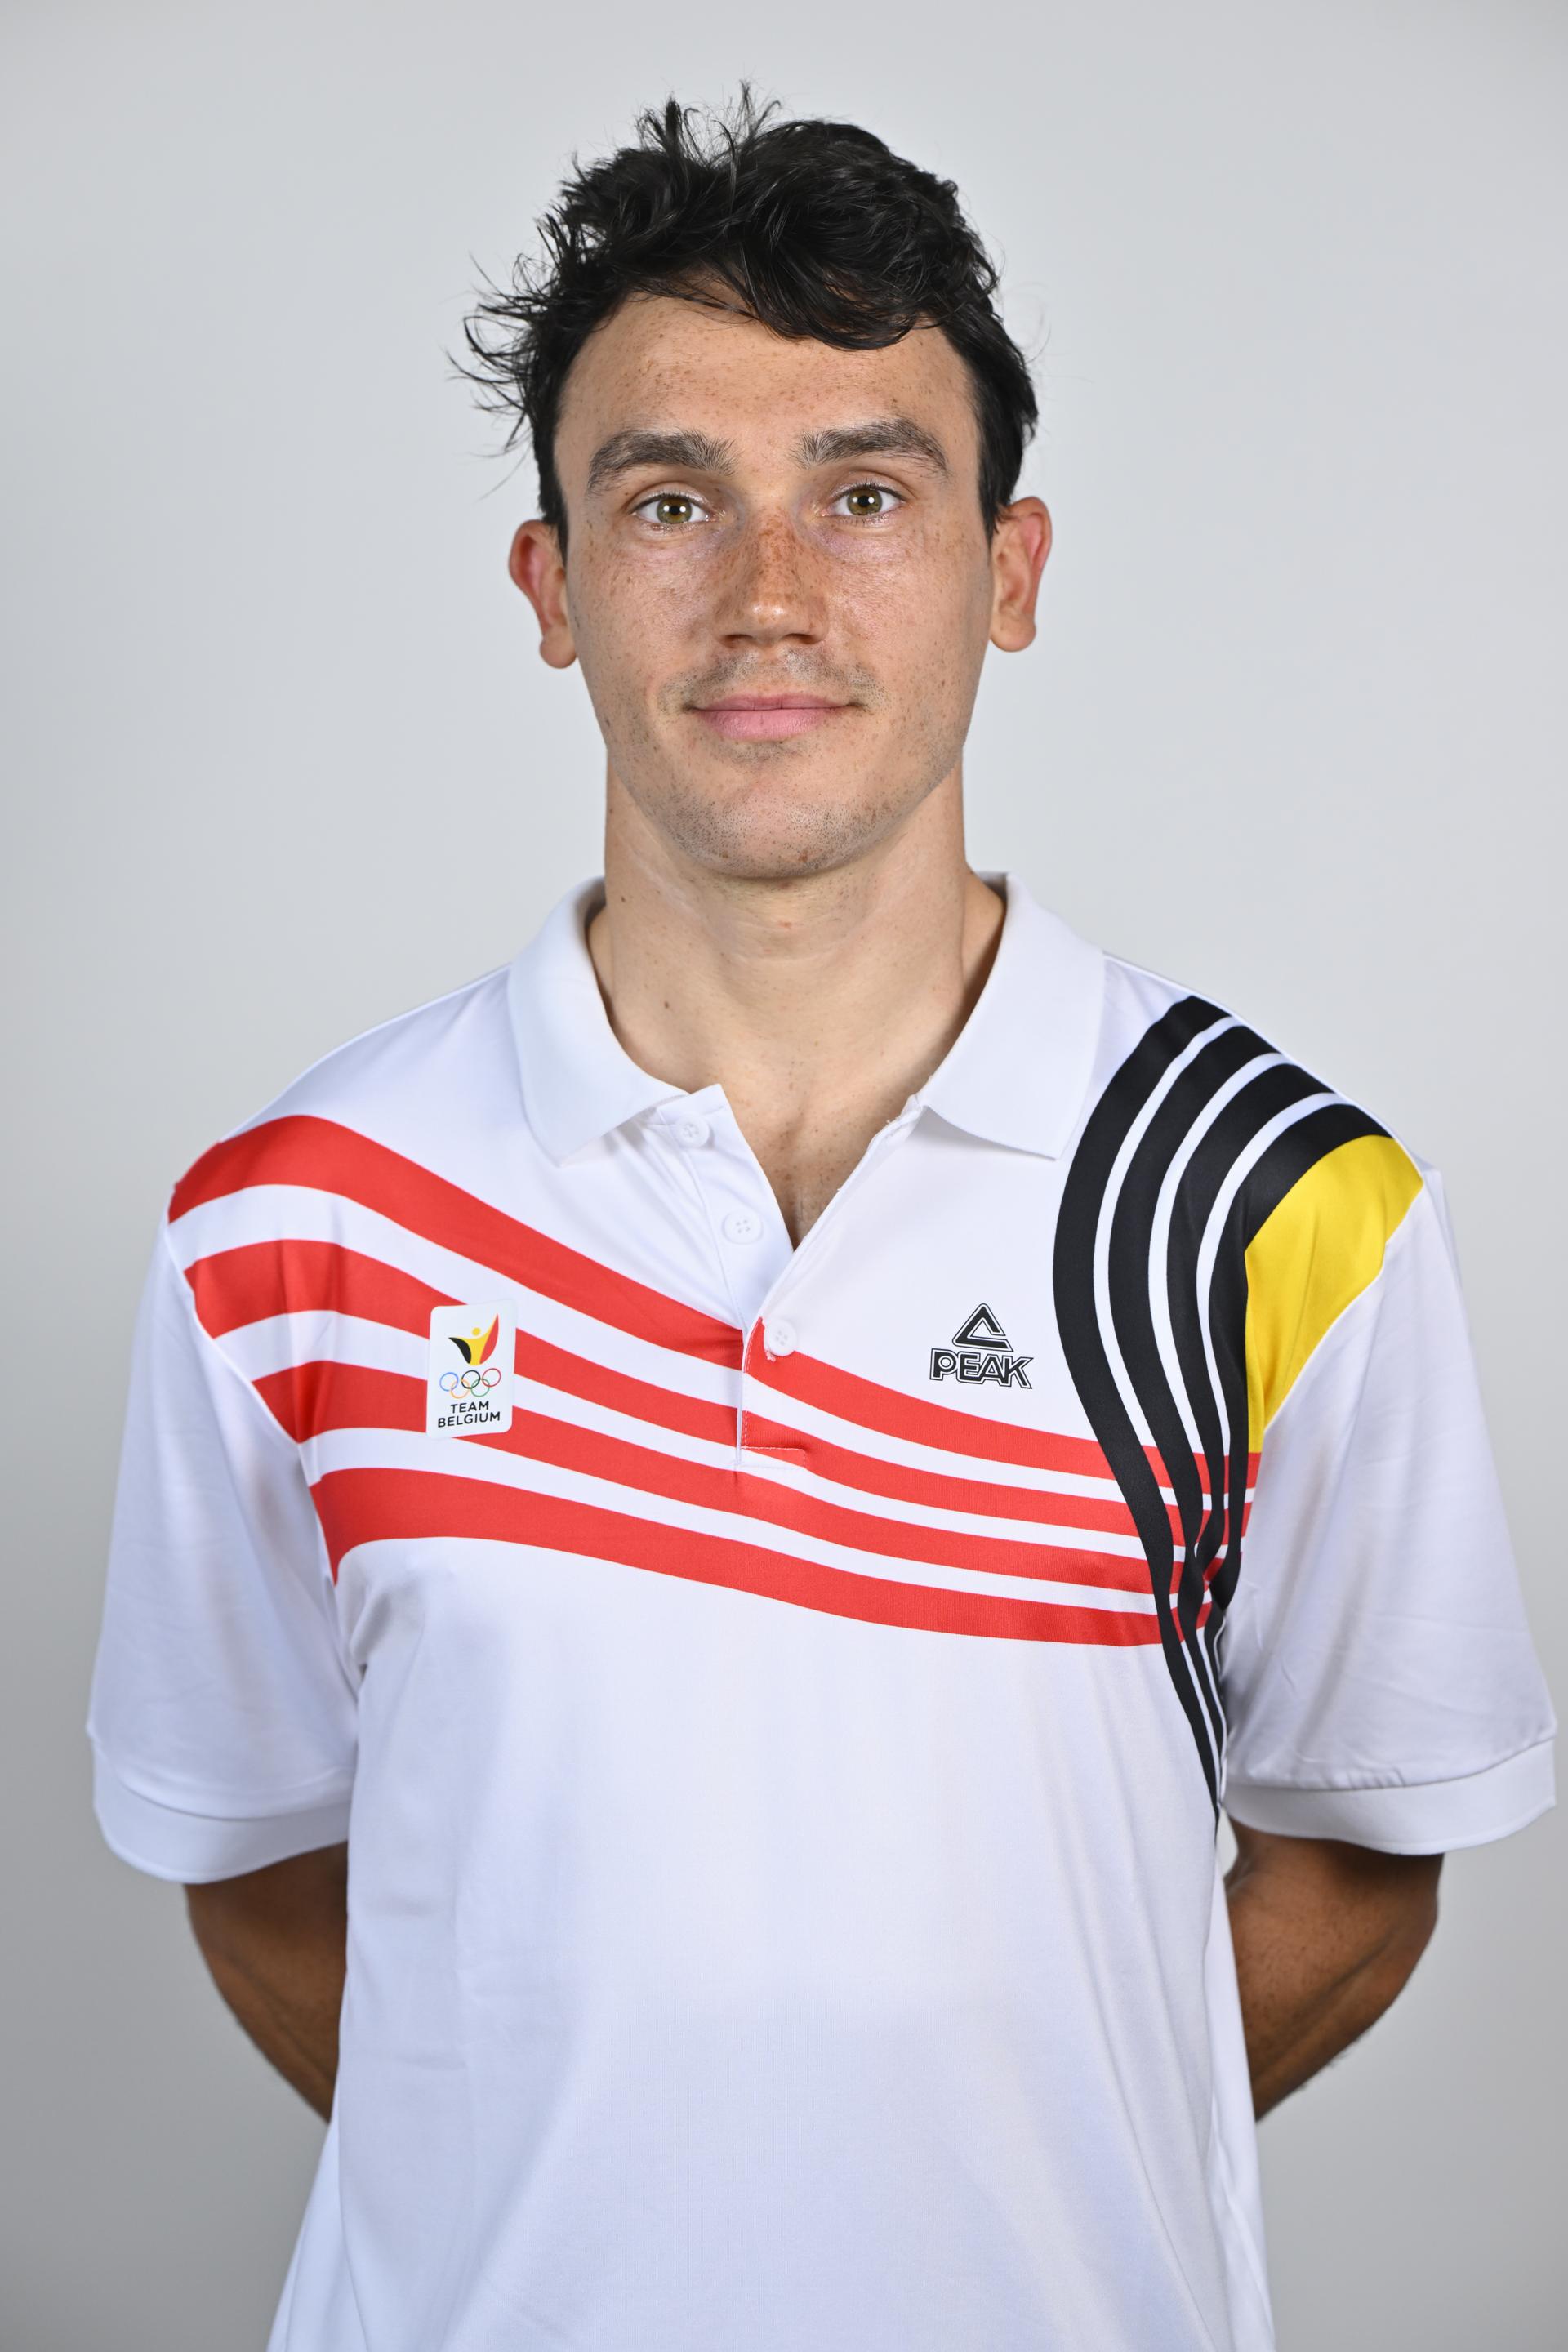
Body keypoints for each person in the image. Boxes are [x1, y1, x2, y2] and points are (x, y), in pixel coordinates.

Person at [87, 91, 1555, 2352]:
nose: (770, 594)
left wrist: (975, 2171)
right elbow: (265, 1876)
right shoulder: (288, 1227)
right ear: (553, 588)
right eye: (670, 501)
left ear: (1013, 569)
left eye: (867, 493)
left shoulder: (1283, 1207)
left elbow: (1363, 1871)